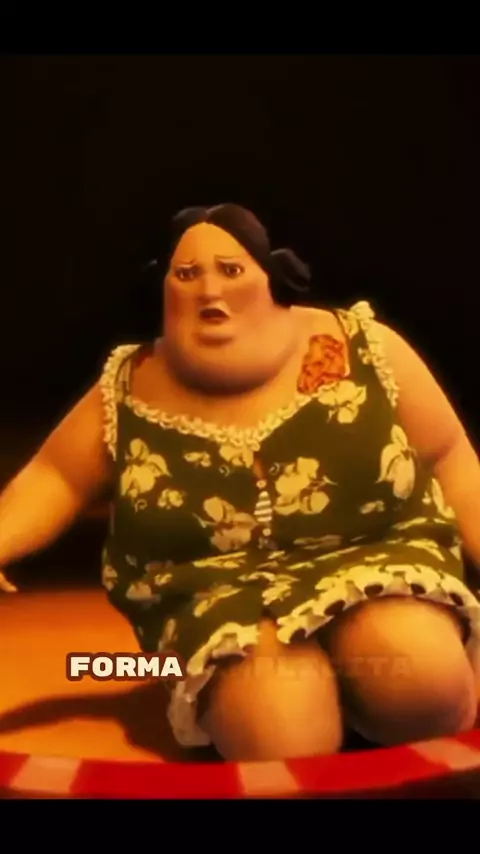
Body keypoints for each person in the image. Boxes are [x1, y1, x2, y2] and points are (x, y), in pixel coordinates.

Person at [1, 203, 479, 761]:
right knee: (282, 732)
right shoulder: (128, 386)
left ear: (270, 275)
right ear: (164, 287)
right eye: (187, 274)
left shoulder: (363, 347)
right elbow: (55, 476)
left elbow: (453, 459)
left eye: (230, 269)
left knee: (422, 682)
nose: (209, 289)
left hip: (377, 556)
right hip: (212, 595)